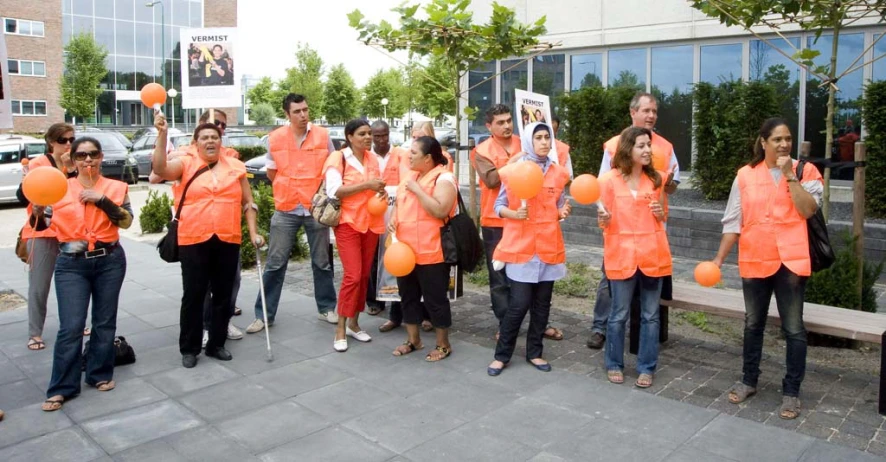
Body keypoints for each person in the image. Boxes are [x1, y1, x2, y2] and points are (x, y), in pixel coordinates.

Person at [711, 118, 822, 420]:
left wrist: (790, 177)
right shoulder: (745, 175)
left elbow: (809, 210)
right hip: (755, 259)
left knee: (794, 328)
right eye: (777, 139)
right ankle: (749, 380)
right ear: (763, 142)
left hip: (791, 262)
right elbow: (733, 221)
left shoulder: (805, 171)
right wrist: (718, 261)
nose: (784, 144)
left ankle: (791, 392)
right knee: (752, 323)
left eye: (788, 138)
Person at [151, 113, 263, 368]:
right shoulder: (186, 163)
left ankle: (216, 344)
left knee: (224, 296)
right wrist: (162, 135)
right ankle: (189, 348)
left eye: (215, 137)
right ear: (196, 141)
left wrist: (254, 232)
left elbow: (248, 203)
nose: (210, 141)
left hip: (227, 237)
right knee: (194, 294)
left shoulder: (236, 167)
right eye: (205, 137)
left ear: (221, 141)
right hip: (194, 238)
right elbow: (159, 169)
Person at [37, 136, 133, 411]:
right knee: (71, 326)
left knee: (104, 321)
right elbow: (42, 224)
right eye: (81, 155)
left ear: (101, 157)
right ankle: (62, 387)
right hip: (71, 263)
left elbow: (126, 221)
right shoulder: (59, 188)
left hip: (110, 260)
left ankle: (99, 373)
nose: (88, 160)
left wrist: (102, 200)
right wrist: (37, 209)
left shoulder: (116, 187)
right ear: (73, 159)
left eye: (93, 154)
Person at [587, 91, 679, 350]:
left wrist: (666, 182)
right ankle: (600, 328)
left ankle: (646, 341)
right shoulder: (613, 144)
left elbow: (670, 187)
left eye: (654, 111)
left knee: (649, 293)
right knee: (611, 282)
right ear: (633, 112)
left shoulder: (666, 146)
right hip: (620, 230)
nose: (651, 115)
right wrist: (605, 217)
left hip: (651, 229)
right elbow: (604, 185)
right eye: (646, 110)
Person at [470, 104, 565, 342]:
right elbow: (491, 180)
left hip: (530, 222)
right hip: (496, 220)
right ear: (488, 126)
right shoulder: (481, 150)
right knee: (499, 278)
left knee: (536, 274)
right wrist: (513, 164)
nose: (506, 126)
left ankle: (540, 324)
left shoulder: (525, 141)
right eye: (500, 122)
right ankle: (506, 324)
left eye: (509, 120)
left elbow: (548, 161)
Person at [246, 93, 338, 334]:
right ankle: (263, 315)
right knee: (275, 264)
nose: (303, 115)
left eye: (306, 110)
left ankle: (327, 307)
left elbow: (333, 168)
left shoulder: (323, 135)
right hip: (286, 208)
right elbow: (272, 172)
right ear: (287, 114)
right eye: (297, 111)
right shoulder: (275, 138)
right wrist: (290, 188)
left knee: (322, 262)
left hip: (315, 208)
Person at [487, 123, 571, 376]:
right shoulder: (516, 170)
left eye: (548, 138)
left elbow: (556, 207)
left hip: (548, 246)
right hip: (521, 248)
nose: (545, 142)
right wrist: (514, 213)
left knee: (542, 305)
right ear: (528, 141)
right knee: (519, 304)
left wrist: (562, 212)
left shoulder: (558, 173)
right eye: (539, 138)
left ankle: (535, 352)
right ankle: (502, 355)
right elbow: (498, 205)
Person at [597, 126, 672, 388]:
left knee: (651, 315)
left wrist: (660, 213)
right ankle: (614, 363)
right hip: (621, 255)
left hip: (653, 254)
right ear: (628, 149)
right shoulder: (607, 181)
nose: (648, 150)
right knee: (618, 314)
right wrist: (604, 219)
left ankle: (646, 366)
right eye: (641, 145)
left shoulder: (657, 179)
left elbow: (664, 216)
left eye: (649, 145)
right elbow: (603, 222)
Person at [388, 136, 458, 361]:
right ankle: (413, 339)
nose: (408, 156)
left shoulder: (444, 177)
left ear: (428, 158)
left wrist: (418, 190)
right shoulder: (410, 176)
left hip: (432, 251)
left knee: (435, 299)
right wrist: (393, 217)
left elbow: (440, 210)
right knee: (407, 296)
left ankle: (443, 344)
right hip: (405, 252)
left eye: (414, 153)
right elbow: (399, 202)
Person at [323, 119, 386, 352]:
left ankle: (354, 323)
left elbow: (374, 188)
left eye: (369, 133)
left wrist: (377, 189)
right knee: (353, 275)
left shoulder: (373, 159)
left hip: (370, 222)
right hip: (348, 222)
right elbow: (334, 191)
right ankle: (340, 328)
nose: (368, 137)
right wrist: (367, 185)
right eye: (362, 134)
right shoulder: (338, 158)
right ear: (349, 137)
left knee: (363, 276)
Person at [19, 123, 76, 351]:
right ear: (51, 142)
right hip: (42, 232)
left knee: (73, 284)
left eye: (72, 139)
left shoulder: (74, 164)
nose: (69, 144)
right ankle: (35, 333)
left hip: (69, 231)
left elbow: (76, 191)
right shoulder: (39, 164)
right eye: (63, 140)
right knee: (39, 285)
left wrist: (70, 167)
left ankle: (73, 324)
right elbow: (25, 195)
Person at [365, 121, 404, 323]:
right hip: (373, 213)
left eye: (385, 135)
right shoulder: (367, 157)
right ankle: (374, 301)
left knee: (392, 256)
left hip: (394, 213)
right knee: (372, 257)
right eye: (377, 136)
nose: (381, 140)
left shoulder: (400, 155)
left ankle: (396, 299)